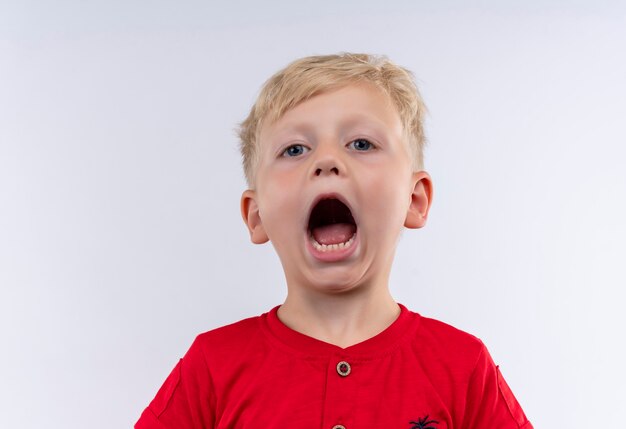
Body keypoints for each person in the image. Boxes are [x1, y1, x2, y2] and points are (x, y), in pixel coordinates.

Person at [135, 52, 533, 429]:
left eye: (361, 144)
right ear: (257, 216)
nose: (326, 162)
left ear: (415, 199)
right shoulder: (212, 365)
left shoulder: (462, 365)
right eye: (295, 149)